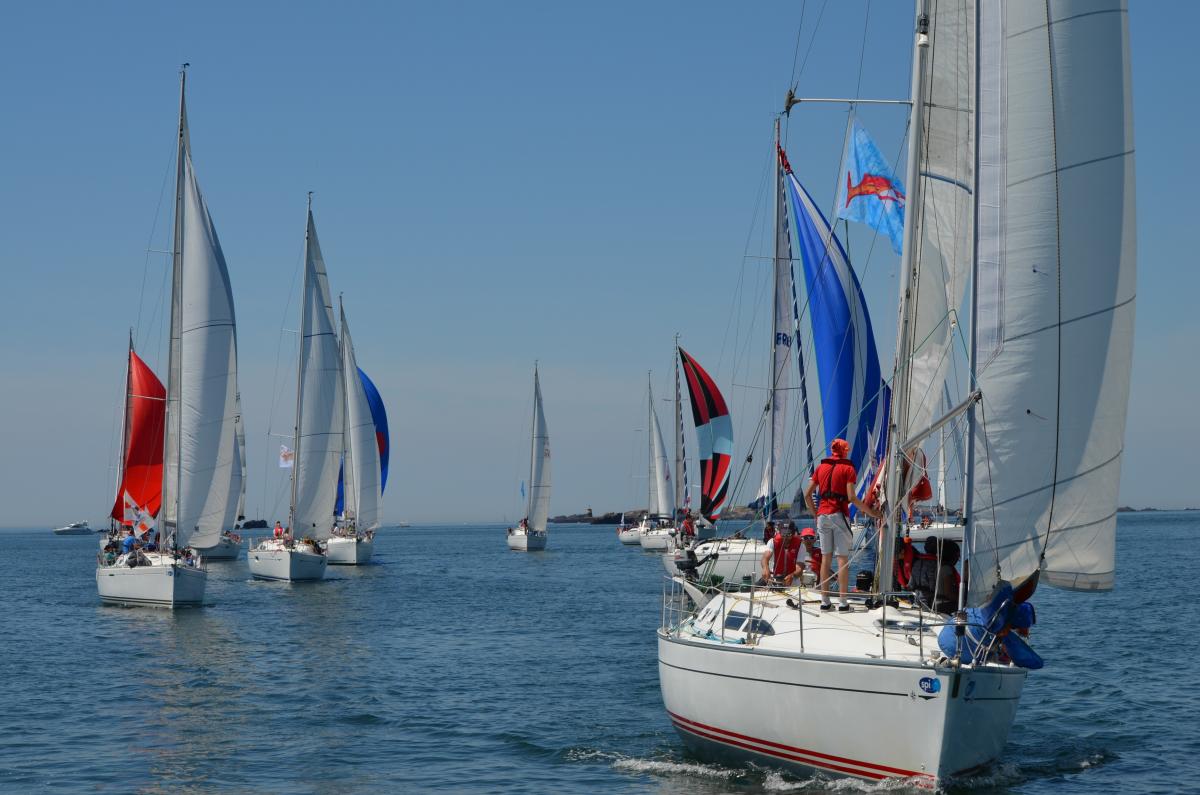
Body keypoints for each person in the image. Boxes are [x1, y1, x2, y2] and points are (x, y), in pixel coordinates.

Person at [804, 438, 882, 612]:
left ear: (832, 450)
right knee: (842, 559)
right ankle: (843, 603)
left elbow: (807, 494)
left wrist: (816, 514)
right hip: (839, 515)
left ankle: (825, 602)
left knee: (825, 558)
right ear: (845, 451)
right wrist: (871, 512)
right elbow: (852, 497)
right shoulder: (848, 469)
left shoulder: (821, 468)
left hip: (822, 516)